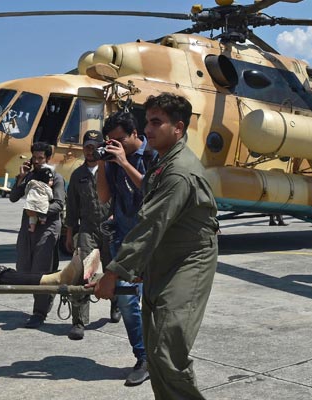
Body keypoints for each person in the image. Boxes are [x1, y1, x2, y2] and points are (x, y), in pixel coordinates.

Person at [92, 93, 219, 399]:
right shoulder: (164, 162)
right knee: (155, 350)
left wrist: (114, 273)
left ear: (178, 127)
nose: (147, 129)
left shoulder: (179, 171)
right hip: (163, 258)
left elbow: (150, 224)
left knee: (167, 352)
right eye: (147, 121)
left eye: (156, 122)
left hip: (189, 260)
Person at [96, 110, 156, 386]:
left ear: (135, 134)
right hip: (124, 239)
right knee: (127, 300)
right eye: (110, 141)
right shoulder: (111, 159)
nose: (114, 145)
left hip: (153, 241)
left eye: (119, 140)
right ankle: (142, 357)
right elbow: (104, 197)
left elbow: (151, 190)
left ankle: (161, 356)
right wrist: (103, 165)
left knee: (156, 304)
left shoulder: (153, 155)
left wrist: (123, 162)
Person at [9, 142, 65, 329]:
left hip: (47, 227)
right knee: (24, 268)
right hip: (28, 228)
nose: (38, 161)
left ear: (48, 159)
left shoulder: (56, 178)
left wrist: (39, 210)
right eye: (35, 158)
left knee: (41, 270)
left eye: (42, 158)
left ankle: (39, 312)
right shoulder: (29, 176)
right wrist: (21, 177)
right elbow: (13, 197)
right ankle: (46, 297)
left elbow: (58, 204)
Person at [64, 130, 110, 340]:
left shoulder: (111, 170)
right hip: (88, 229)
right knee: (82, 272)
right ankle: (79, 321)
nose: (90, 151)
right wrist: (69, 233)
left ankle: (117, 304)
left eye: (94, 147)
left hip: (111, 228)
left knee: (114, 269)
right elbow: (71, 207)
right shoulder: (77, 175)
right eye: (87, 147)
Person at [23, 164, 55, 232]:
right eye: (51, 180)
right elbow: (50, 196)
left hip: (30, 204)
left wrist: (27, 196)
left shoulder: (33, 183)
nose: (52, 182)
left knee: (32, 217)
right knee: (43, 211)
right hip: (41, 204)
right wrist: (51, 199)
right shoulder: (47, 187)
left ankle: (32, 227)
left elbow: (27, 189)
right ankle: (42, 220)